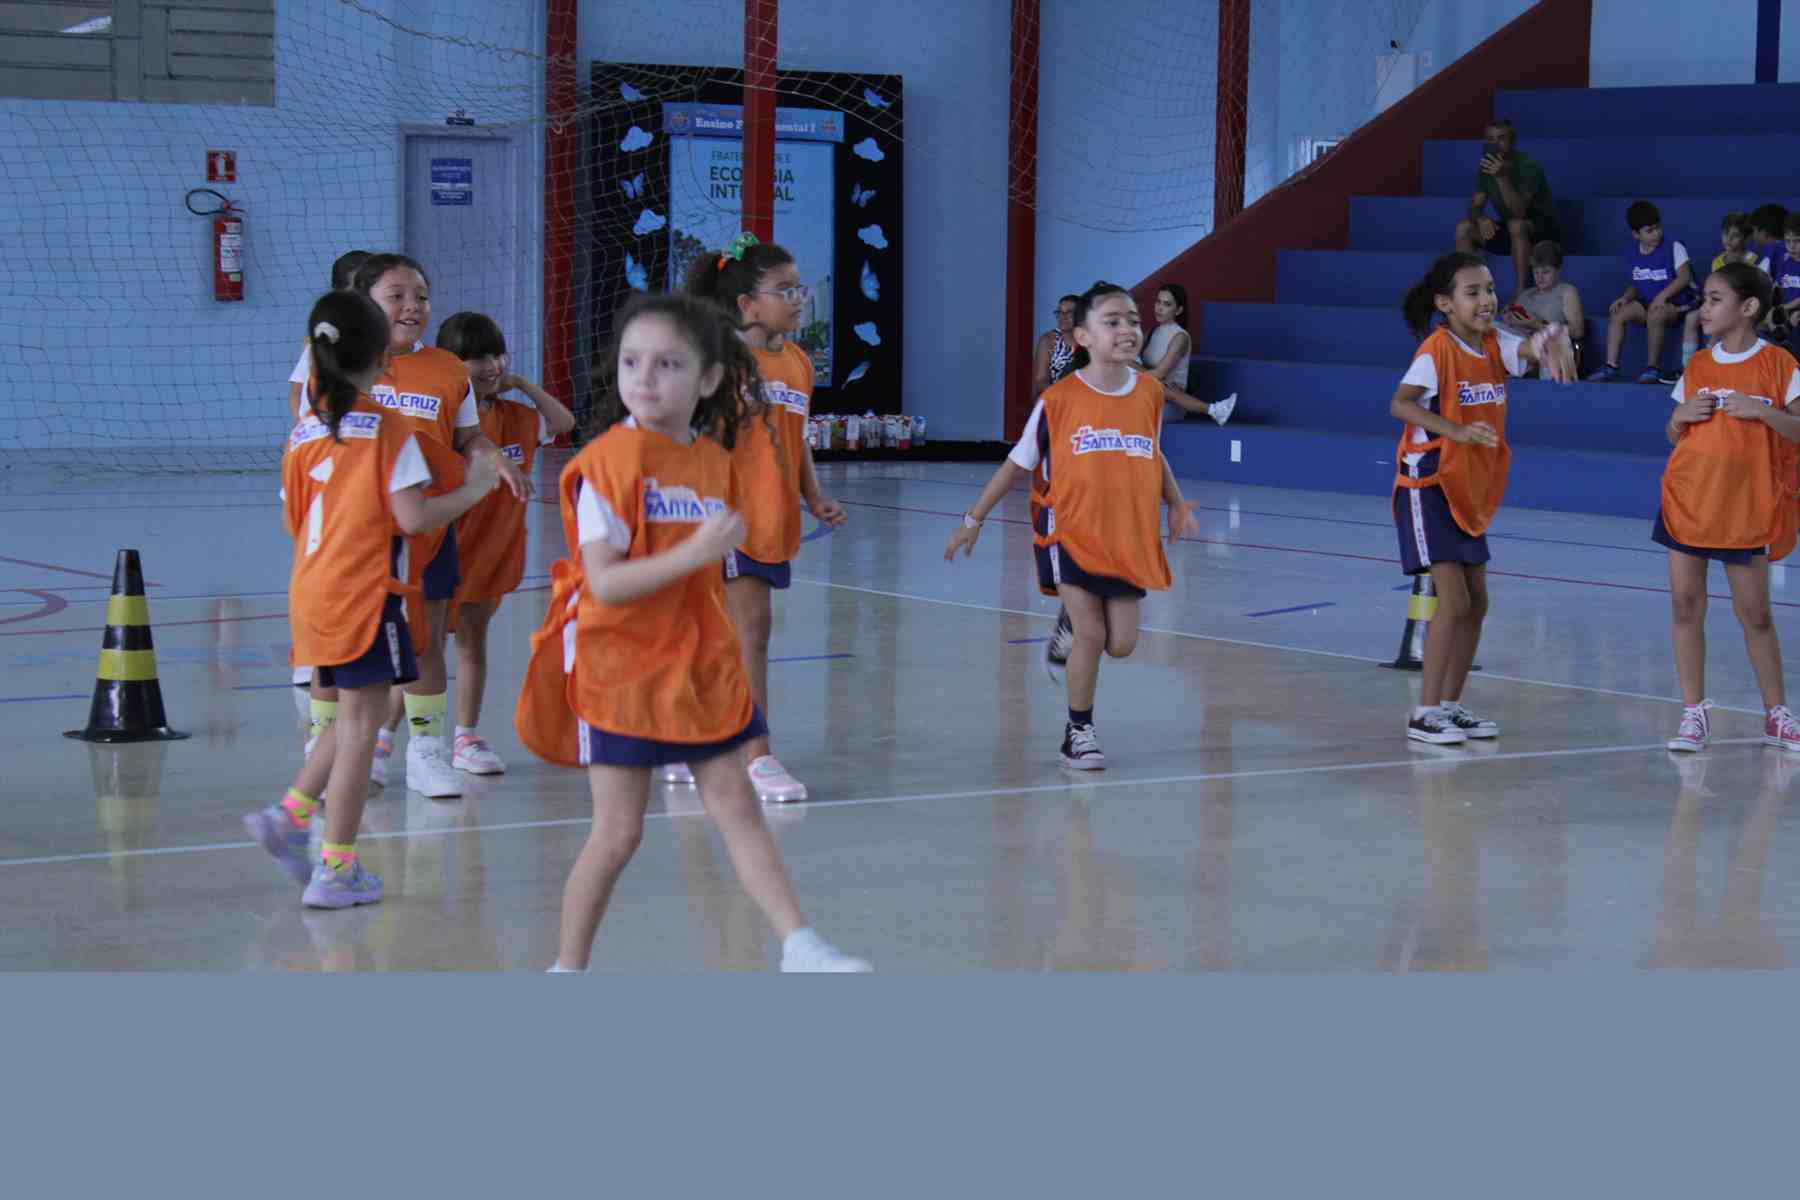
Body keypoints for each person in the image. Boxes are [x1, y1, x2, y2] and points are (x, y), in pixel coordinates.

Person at [515, 291, 871, 972]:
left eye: (668, 363)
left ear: (708, 379)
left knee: (736, 805)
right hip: (622, 671)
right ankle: (566, 969)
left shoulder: (712, 461)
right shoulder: (609, 464)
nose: (645, 377)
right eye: (632, 362)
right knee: (618, 833)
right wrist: (696, 553)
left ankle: (800, 945)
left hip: (700, 665)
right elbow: (606, 583)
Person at [244, 289, 498, 907]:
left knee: (359, 709)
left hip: (313, 589)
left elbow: (292, 515)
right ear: (384, 358)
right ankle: (337, 868)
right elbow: (414, 518)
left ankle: (290, 815)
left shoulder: (304, 431)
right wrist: (475, 489)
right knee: (363, 727)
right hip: (365, 593)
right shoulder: (389, 431)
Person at [945, 280, 1200, 770]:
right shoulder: (1059, 400)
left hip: (1126, 534)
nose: (1127, 329)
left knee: (1122, 643)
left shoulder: (1149, 393)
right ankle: (1078, 733)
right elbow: (1016, 465)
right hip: (1068, 530)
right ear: (1083, 337)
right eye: (1112, 321)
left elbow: (1153, 451)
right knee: (1092, 635)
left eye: (1133, 320)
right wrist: (972, 520)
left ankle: (1067, 623)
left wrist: (1176, 502)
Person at [349, 254, 529, 797]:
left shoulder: (448, 369)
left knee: (425, 640)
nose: (412, 307)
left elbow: (467, 437)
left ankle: (426, 752)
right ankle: (344, 751)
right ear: (364, 303)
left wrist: (490, 456)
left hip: (428, 525)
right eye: (397, 296)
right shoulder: (344, 362)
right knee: (353, 642)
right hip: (357, 530)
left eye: (421, 296)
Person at [681, 234, 846, 802]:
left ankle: (694, 736)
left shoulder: (798, 362)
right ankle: (757, 755)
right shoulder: (720, 359)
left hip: (773, 516)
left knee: (723, 636)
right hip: (725, 516)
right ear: (748, 303)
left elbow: (795, 440)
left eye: (800, 289)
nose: (798, 300)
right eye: (784, 291)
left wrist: (813, 496)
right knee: (751, 633)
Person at [1390, 252, 1576, 746]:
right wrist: (1454, 430)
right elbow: (1400, 403)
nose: (1486, 300)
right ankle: (1424, 712)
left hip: (1467, 485)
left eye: (1490, 289)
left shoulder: (1493, 342)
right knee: (1453, 600)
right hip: (1428, 483)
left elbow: (1528, 351)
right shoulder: (1437, 350)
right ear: (1445, 303)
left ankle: (1449, 705)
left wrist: (1550, 338)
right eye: (1472, 292)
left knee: (1478, 602)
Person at [1654, 262, 1800, 755]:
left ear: (1748, 307)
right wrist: (1678, 417)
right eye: (1705, 299)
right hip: (1688, 500)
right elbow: (1674, 432)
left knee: (1755, 614)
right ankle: (1693, 712)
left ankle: (1776, 715)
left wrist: (1763, 410)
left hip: (1746, 507)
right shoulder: (1697, 365)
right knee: (1685, 605)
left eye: (1716, 299)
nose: (1705, 308)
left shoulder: (1779, 364)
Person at [435, 310, 576, 775]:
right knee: (424, 651)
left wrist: (522, 384)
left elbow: (563, 420)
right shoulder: (444, 423)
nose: (492, 365)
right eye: (478, 358)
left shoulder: (517, 417)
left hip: (493, 553)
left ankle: (466, 737)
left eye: (497, 355)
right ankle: (386, 742)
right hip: (444, 550)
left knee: (472, 642)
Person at [1586, 201, 1695, 384]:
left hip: (1677, 304)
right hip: (1649, 302)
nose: (1656, 233)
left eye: (1658, 228)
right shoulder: (1631, 253)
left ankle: (1653, 368)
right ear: (1636, 234)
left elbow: (1684, 278)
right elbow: (1636, 283)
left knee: (1655, 312)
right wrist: (1625, 298)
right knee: (1618, 312)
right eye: (1649, 231)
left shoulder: (1674, 246)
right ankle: (1611, 366)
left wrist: (1662, 297)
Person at [1453, 118, 1561, 299]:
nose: (1495, 144)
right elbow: (1475, 206)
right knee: (1464, 227)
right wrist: (1480, 218)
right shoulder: (1486, 168)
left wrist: (1501, 177)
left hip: (1542, 231)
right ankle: (1470, 292)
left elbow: (1520, 212)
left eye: (1501, 138)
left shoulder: (1529, 166)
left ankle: (1522, 294)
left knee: (1516, 224)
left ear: (1512, 141)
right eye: (1490, 139)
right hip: (1513, 232)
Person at [1682, 213, 1763, 365]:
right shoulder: (1717, 262)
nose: (1728, 239)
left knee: (1718, 320)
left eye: (1735, 236)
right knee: (1691, 318)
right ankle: (1688, 366)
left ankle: (1709, 363)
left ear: (1746, 238)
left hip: (1741, 309)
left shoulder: (1754, 261)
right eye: (1725, 234)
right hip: (1719, 306)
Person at [1034, 294, 1080, 393]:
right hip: (1056, 397)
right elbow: (1041, 380)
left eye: (1069, 312)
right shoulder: (1048, 340)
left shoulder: (1090, 340)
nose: (1063, 317)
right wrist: (1059, 396)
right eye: (1059, 312)